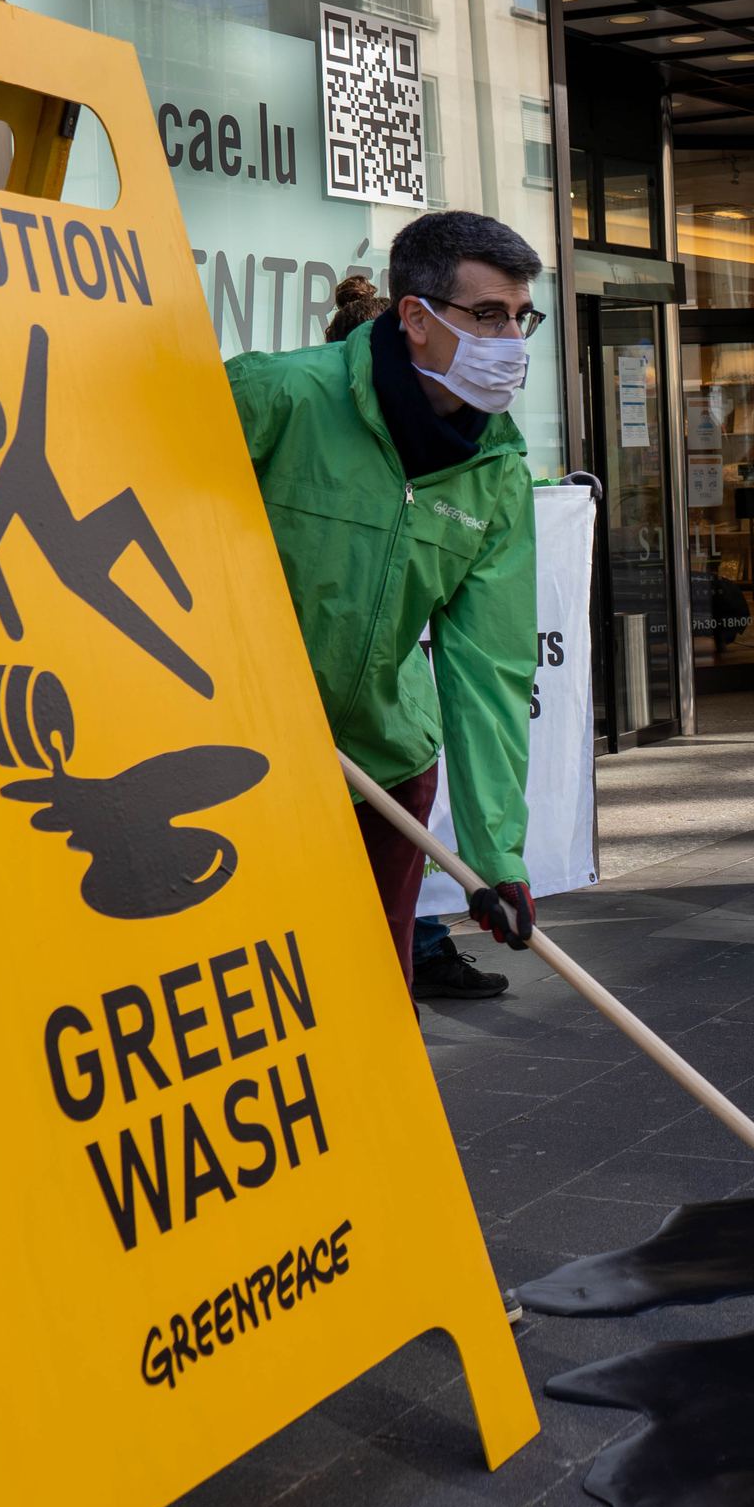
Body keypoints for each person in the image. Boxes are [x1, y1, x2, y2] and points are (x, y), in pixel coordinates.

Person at [229, 214, 544, 984]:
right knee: (258, 998)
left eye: (521, 316)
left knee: (372, 995)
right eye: (489, 315)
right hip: (242, 756)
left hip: (384, 765)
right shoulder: (279, 397)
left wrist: (494, 854)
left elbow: (490, 667)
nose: (511, 340)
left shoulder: (497, 470)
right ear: (417, 318)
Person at [321, 278, 514, 1003]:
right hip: (289, 749)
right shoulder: (299, 423)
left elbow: (487, 663)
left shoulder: (467, 467)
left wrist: (500, 857)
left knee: (382, 959)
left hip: (394, 744)